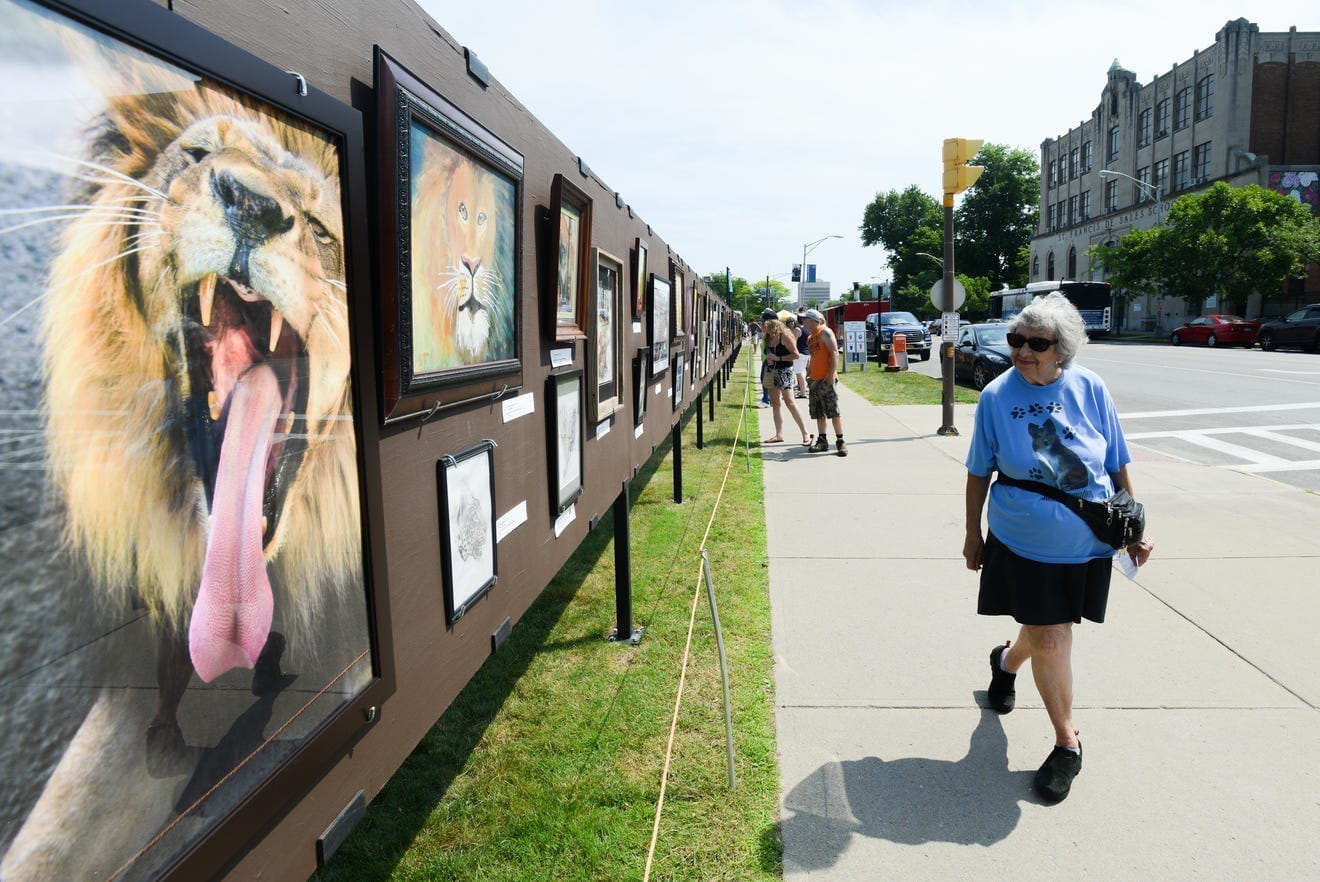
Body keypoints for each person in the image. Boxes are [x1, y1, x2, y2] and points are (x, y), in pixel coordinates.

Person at [961, 292, 1155, 803]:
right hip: (1021, 538)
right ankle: (1069, 744)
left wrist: (1134, 524)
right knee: (1052, 637)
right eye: (1016, 341)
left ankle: (1005, 662)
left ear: (1062, 349)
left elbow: (1115, 459)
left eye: (1037, 344)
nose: (1023, 351)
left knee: (1048, 630)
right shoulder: (995, 397)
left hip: (1086, 539)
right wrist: (971, 531)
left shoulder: (1090, 387)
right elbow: (979, 469)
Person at [761, 315, 811, 446]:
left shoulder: (785, 336)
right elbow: (767, 352)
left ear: (772, 325)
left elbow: (796, 354)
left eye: (765, 326)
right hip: (772, 372)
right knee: (775, 404)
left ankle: (806, 434)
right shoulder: (767, 337)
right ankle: (779, 434)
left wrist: (778, 358)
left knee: (790, 402)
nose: (763, 328)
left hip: (785, 372)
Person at [801, 309, 846, 456]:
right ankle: (822, 441)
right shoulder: (810, 337)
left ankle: (840, 441)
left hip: (826, 379)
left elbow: (834, 352)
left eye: (806, 319)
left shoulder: (825, 332)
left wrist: (831, 375)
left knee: (833, 411)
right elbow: (813, 356)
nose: (803, 321)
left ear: (814, 320)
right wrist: (809, 374)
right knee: (818, 412)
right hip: (814, 380)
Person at [788, 314, 809, 398]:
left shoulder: (797, 329)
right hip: (806, 353)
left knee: (799, 373)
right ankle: (803, 390)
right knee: (802, 372)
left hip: (799, 353)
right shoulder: (806, 330)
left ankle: (803, 393)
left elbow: (794, 343)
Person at [758, 308, 775, 407]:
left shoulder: (770, 332)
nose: (762, 322)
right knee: (765, 378)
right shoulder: (767, 332)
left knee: (766, 379)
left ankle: (767, 400)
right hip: (767, 358)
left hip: (769, 359)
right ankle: (768, 399)